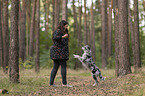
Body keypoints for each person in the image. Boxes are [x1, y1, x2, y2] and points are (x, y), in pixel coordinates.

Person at [49, 20, 72, 87]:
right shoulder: (58, 31)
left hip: (60, 52)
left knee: (55, 67)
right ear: (62, 25)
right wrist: (63, 37)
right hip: (58, 52)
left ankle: (51, 83)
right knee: (63, 67)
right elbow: (54, 38)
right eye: (65, 26)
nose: (66, 27)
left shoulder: (64, 31)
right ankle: (64, 83)